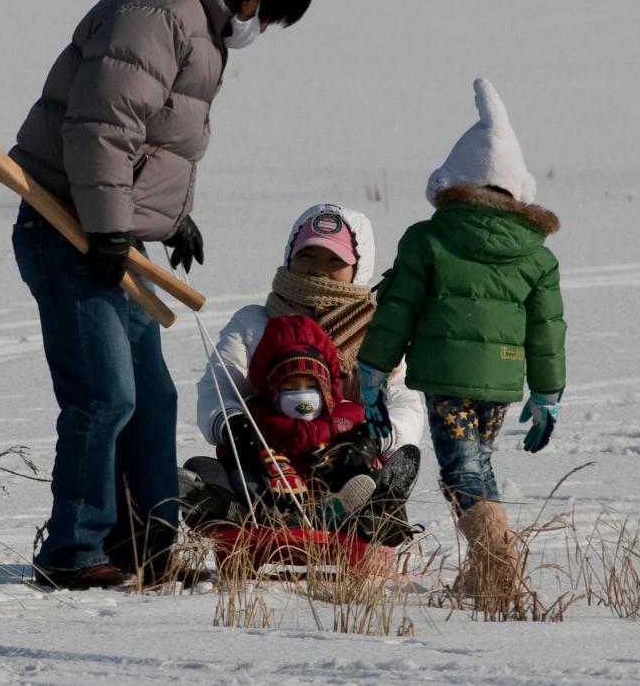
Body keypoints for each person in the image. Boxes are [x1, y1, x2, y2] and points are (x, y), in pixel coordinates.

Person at [9, 0, 313, 590]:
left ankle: (145, 548)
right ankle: (72, 548)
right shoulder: (159, 11)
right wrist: (113, 228)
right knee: (103, 394)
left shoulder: (193, 21)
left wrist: (169, 219)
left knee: (152, 396)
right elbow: (101, 126)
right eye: (269, 16)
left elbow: (156, 139)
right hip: (66, 227)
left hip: (109, 230)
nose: (260, 30)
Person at [355, 78, 566, 603]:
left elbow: (397, 312)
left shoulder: (427, 239)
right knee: (480, 464)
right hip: (501, 380)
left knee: (460, 472)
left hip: (447, 378)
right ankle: (484, 571)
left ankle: (499, 569)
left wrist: (373, 369)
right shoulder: (537, 256)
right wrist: (547, 393)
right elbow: (547, 331)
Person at [195, 204, 425, 457]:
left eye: (335, 260)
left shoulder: (377, 332)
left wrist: (375, 438)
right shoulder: (254, 323)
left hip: (349, 459)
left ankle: (366, 493)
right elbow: (218, 385)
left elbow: (403, 400)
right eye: (307, 255)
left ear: (358, 269)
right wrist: (232, 424)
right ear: (290, 257)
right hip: (267, 457)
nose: (318, 268)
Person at [219, 314, 379, 525]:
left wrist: (365, 443)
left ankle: (375, 513)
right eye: (290, 388)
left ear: (326, 390)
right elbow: (228, 450)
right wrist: (250, 450)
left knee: (369, 475)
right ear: (274, 393)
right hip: (278, 492)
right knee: (239, 476)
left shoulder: (346, 416)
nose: (302, 396)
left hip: (330, 494)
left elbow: (371, 435)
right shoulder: (259, 418)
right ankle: (244, 512)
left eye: (312, 387)